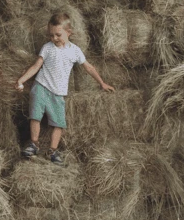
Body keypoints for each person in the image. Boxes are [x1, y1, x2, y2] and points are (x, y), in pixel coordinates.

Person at [15, 11, 114, 165]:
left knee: (59, 124)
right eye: (51, 35)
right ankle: (34, 144)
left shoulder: (74, 51)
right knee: (35, 115)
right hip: (41, 85)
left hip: (58, 93)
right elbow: (36, 66)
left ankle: (53, 151)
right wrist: (22, 79)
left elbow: (88, 67)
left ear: (69, 32)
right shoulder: (47, 48)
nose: (54, 38)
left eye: (58, 35)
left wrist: (102, 83)